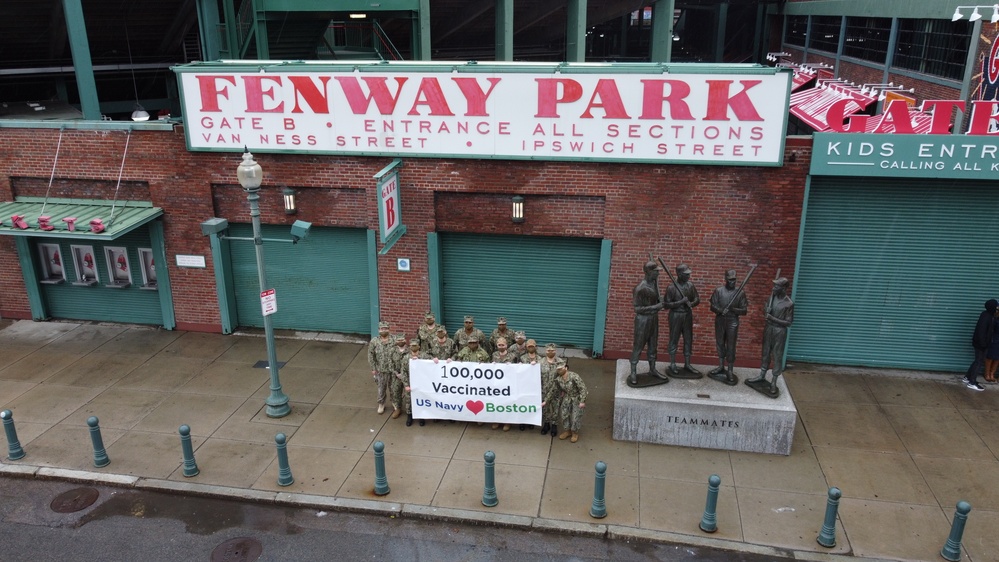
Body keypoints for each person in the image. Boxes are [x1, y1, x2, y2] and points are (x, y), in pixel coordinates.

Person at [747, 277, 794, 397]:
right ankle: (762, 375)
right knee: (765, 352)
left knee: (777, 355)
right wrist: (765, 310)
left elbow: (788, 322)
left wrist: (772, 318)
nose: (774, 288)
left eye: (777, 286)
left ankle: (773, 381)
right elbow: (766, 312)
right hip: (769, 328)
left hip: (779, 331)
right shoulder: (771, 297)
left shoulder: (789, 303)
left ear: (783, 288)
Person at [708, 269, 748, 385]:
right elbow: (712, 306)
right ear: (725, 279)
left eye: (734, 280)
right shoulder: (718, 291)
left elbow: (744, 311)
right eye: (730, 279)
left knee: (731, 345)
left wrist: (733, 309)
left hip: (732, 321)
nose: (732, 282)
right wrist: (720, 310)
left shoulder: (740, 293)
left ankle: (730, 370)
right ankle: (721, 366)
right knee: (720, 343)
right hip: (720, 320)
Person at [630, 261, 666, 384]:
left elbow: (657, 302)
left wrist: (661, 303)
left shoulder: (655, 285)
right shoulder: (640, 288)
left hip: (654, 319)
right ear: (649, 272)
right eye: (656, 271)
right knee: (638, 346)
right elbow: (637, 309)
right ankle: (633, 371)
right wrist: (656, 307)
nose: (658, 273)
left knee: (653, 345)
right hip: (642, 320)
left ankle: (652, 369)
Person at [665, 263, 701, 376]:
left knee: (688, 339)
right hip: (676, 315)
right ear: (679, 274)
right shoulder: (671, 287)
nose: (688, 276)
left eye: (688, 274)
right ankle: (672, 363)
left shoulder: (690, 285)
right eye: (686, 274)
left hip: (687, 315)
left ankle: (687, 363)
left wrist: (692, 303)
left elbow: (697, 298)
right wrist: (680, 302)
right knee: (674, 339)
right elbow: (666, 304)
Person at [544, 359, 587, 443]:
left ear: (566, 368)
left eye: (561, 368)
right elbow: (553, 390)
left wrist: (582, 400)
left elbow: (583, 388)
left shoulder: (574, 376)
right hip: (567, 398)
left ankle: (574, 432)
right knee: (564, 415)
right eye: (558, 369)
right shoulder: (558, 380)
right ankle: (567, 430)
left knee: (575, 417)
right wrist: (546, 401)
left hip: (576, 398)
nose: (559, 371)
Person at [968, 299, 999, 389]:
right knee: (979, 362)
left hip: (981, 343)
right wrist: (983, 344)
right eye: (996, 306)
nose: (997, 307)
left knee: (977, 361)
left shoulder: (987, 315)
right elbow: (981, 331)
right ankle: (972, 382)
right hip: (981, 344)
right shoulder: (987, 316)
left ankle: (967, 377)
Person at [491, 337, 518, 430]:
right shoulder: (494, 355)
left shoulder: (512, 356)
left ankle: (507, 422)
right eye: (499, 345)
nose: (501, 347)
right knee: (497, 402)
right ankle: (497, 420)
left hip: (508, 383)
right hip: (497, 383)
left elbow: (518, 368)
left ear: (506, 345)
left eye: (503, 345)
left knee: (507, 403)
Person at [366, 321, 394, 414]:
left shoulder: (394, 340)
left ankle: (395, 403)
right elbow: (370, 355)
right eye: (382, 329)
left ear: (389, 329)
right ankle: (381, 404)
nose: (384, 330)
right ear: (379, 330)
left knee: (393, 388)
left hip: (392, 369)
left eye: (386, 329)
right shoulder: (374, 341)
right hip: (380, 370)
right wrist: (373, 368)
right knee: (381, 388)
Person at [400, 339, 426, 426]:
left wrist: (435, 360)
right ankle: (409, 415)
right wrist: (406, 385)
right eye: (412, 347)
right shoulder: (406, 358)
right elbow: (403, 372)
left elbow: (432, 363)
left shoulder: (424, 356)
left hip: (421, 383)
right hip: (411, 383)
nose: (414, 350)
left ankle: (421, 417)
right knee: (409, 400)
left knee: (421, 399)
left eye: (416, 347)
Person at [539, 343, 561, 436]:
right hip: (544, 389)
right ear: (545, 351)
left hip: (556, 390)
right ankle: (546, 424)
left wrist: (563, 389)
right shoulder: (540, 362)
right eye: (548, 351)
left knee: (555, 408)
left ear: (555, 351)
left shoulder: (560, 362)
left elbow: (562, 376)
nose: (550, 352)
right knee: (545, 408)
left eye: (552, 351)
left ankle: (554, 425)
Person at [389, 334, 408, 419]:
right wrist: (396, 373)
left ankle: (409, 410)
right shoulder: (392, 351)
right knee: (396, 392)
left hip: (407, 376)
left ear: (405, 340)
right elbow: (390, 364)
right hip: (396, 376)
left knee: (409, 393)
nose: (400, 342)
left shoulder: (410, 350)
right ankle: (397, 408)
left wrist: (404, 375)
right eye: (398, 340)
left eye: (402, 340)